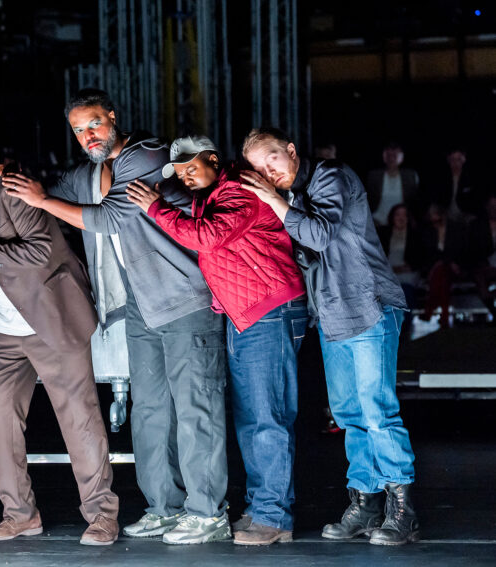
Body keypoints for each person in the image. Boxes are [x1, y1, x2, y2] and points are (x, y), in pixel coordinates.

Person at [2, 89, 229, 545]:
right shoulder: (92, 172)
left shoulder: (148, 155)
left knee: (195, 409)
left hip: (185, 300)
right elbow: (42, 193)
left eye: (94, 124)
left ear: (113, 116)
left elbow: (108, 219)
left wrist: (44, 201)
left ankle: (208, 512)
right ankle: (164, 507)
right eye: (78, 130)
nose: (88, 135)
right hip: (141, 305)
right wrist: (2, 180)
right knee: (150, 411)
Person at [0, 135, 120, 546]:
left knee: (79, 419)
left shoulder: (11, 189)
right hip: (2, 330)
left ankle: (102, 515)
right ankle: (20, 514)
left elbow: (42, 252)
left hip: (52, 320)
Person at [125, 136, 308, 545]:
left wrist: (153, 208)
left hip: (268, 309)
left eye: (193, 168)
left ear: (213, 159)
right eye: (180, 172)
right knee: (252, 419)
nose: (187, 177)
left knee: (267, 418)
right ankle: (263, 507)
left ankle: (274, 518)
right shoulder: (210, 195)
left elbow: (205, 238)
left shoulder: (239, 191)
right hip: (247, 314)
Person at [241, 127, 418, 546]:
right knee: (349, 415)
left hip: (369, 304)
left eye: (272, 161)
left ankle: (403, 510)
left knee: (377, 411)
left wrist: (272, 201)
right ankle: (365, 503)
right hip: (333, 315)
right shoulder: (294, 198)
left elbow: (319, 234)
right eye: (258, 171)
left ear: (290, 150)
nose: (268, 174)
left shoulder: (330, 176)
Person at [418, 204, 469, 329]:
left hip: (455, 267)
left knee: (441, 273)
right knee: (442, 275)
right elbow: (428, 253)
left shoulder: (456, 229)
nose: (435, 222)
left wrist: (450, 262)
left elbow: (462, 251)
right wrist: (445, 262)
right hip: (436, 268)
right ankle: (443, 315)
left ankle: (429, 309)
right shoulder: (428, 231)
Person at [366, 142, 421, 227]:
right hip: (377, 222)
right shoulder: (373, 176)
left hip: (401, 223)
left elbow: (415, 201)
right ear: (384, 157)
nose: (391, 158)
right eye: (388, 155)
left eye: (395, 155)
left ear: (401, 158)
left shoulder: (411, 176)